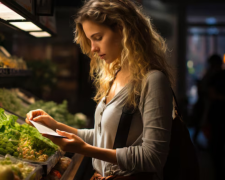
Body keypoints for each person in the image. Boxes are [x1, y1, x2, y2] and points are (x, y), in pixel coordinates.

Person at [26, 0, 175, 179]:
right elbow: (103, 136)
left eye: (98, 37)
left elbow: (153, 158)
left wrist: (85, 150)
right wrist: (56, 126)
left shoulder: (152, 81)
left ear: (122, 30)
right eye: (90, 40)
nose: (93, 48)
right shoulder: (115, 74)